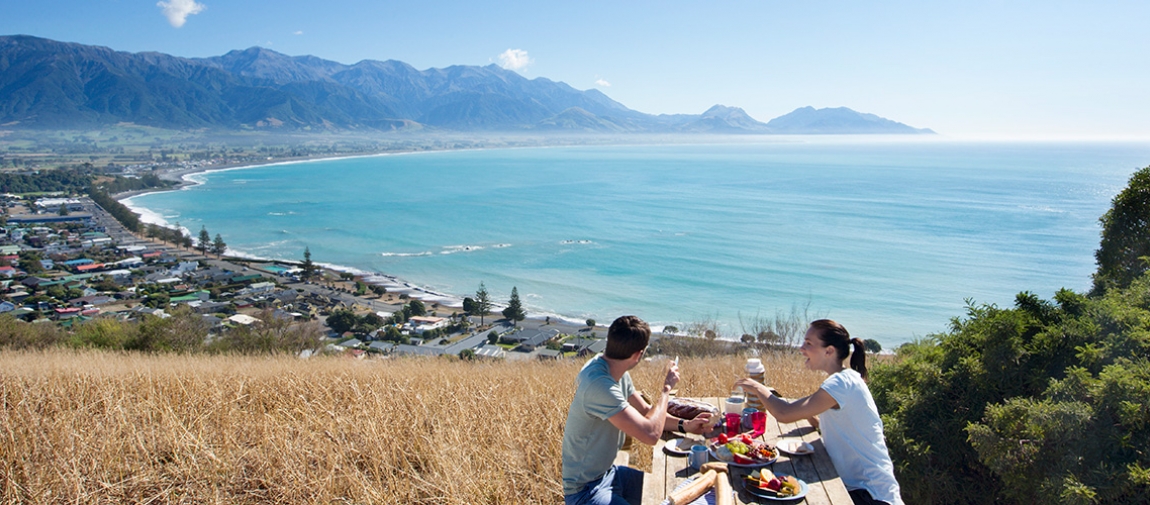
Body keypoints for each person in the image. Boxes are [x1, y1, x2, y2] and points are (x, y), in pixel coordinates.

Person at [734, 319, 903, 505]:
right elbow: (832, 422)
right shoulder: (846, 379)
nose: (801, 348)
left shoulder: (839, 384)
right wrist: (807, 414)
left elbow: (783, 414)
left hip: (870, 495)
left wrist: (758, 388)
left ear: (829, 351)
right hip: (863, 488)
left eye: (808, 343)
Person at [562, 315, 715, 505]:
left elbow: (645, 412)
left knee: (672, 487)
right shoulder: (599, 385)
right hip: (585, 491)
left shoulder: (614, 370)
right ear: (638, 355)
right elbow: (650, 434)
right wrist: (667, 389)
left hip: (610, 474)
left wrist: (686, 425)